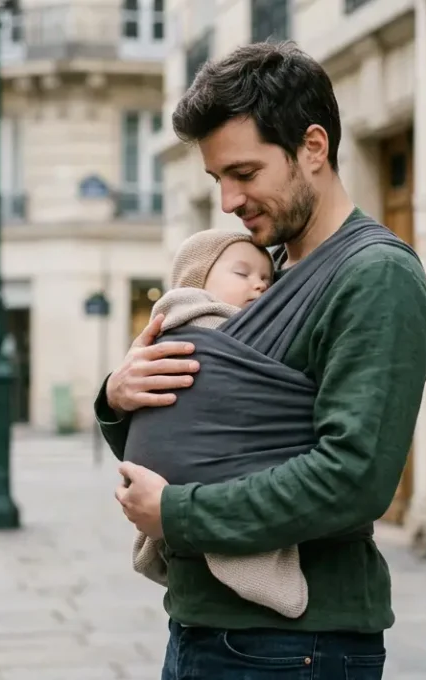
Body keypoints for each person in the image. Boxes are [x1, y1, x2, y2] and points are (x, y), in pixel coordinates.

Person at [102, 42, 426, 678]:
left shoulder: (377, 278)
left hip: (293, 647)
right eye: (217, 180)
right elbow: (213, 423)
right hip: (212, 628)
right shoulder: (268, 273)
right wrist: (119, 397)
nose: (228, 200)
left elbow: (354, 478)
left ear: (313, 148)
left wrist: (178, 514)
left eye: (246, 174)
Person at [124, 229, 312, 620]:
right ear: (197, 281)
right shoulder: (188, 324)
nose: (260, 283)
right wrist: (112, 394)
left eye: (266, 277)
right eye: (242, 274)